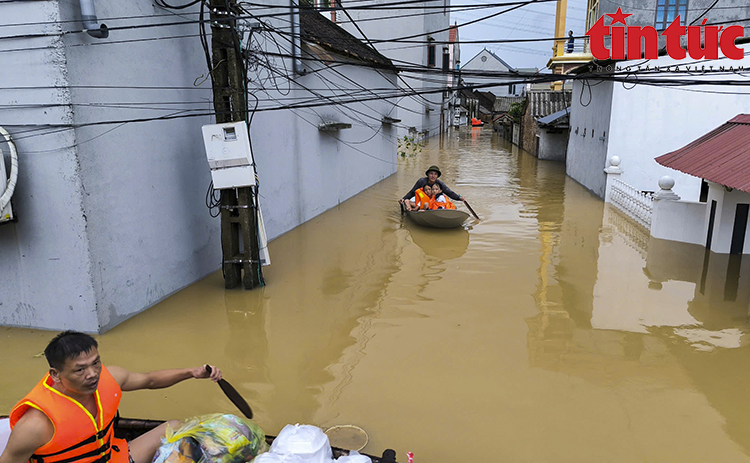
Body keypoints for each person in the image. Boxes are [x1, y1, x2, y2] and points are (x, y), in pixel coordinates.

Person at [0, 331, 223, 463]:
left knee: (176, 427)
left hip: (112, 457)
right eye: (80, 370)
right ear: (55, 374)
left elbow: (150, 380)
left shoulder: (109, 377)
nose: (92, 374)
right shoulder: (35, 424)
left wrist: (192, 372)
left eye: (96, 363)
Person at [399, 166, 465, 207]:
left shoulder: (439, 184)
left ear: (437, 176)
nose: (433, 176)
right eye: (431, 174)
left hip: (433, 202)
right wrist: (403, 199)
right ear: (428, 175)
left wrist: (459, 198)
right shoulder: (421, 181)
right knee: (410, 201)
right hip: (423, 201)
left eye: (435, 174)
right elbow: (412, 192)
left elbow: (449, 192)